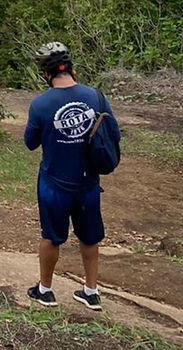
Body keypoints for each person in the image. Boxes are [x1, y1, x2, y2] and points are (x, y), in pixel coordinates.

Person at [24, 42, 117, 311]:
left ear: (46, 72)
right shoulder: (95, 96)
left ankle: (45, 289)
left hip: (54, 184)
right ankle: (91, 291)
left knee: (51, 236)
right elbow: (114, 132)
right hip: (88, 183)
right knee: (89, 237)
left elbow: (30, 143)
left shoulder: (41, 104)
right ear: (70, 67)